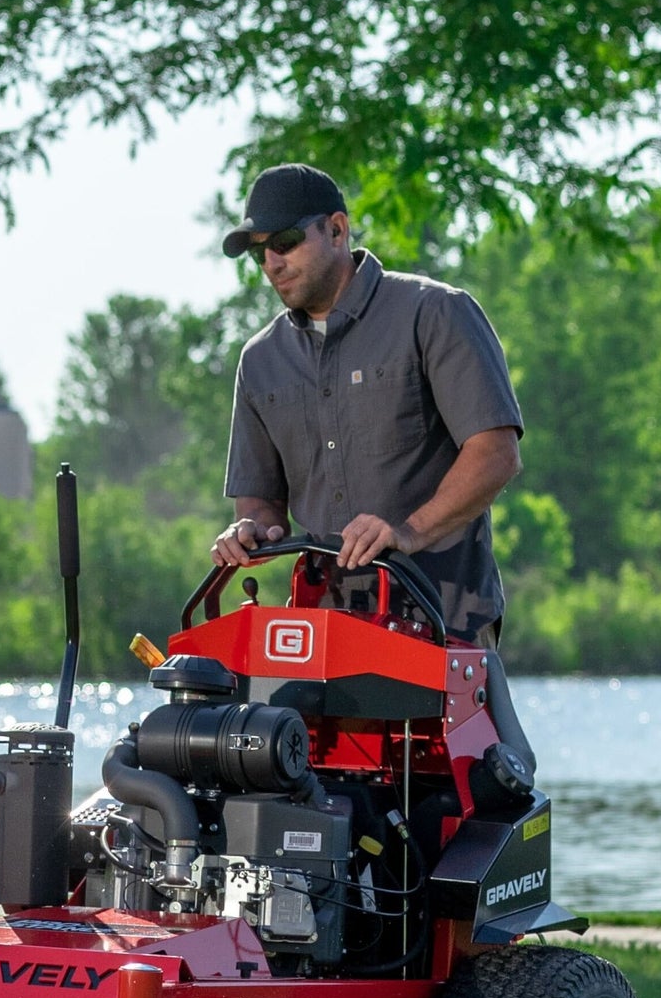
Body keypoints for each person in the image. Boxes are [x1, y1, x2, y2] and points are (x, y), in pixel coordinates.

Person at [212, 163, 524, 643]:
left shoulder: (435, 312)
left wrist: (407, 533)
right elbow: (261, 500)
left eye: (286, 242)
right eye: (260, 253)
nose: (272, 262)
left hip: (444, 621)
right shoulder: (260, 361)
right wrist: (251, 531)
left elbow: (496, 453)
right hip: (321, 631)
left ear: (336, 229)